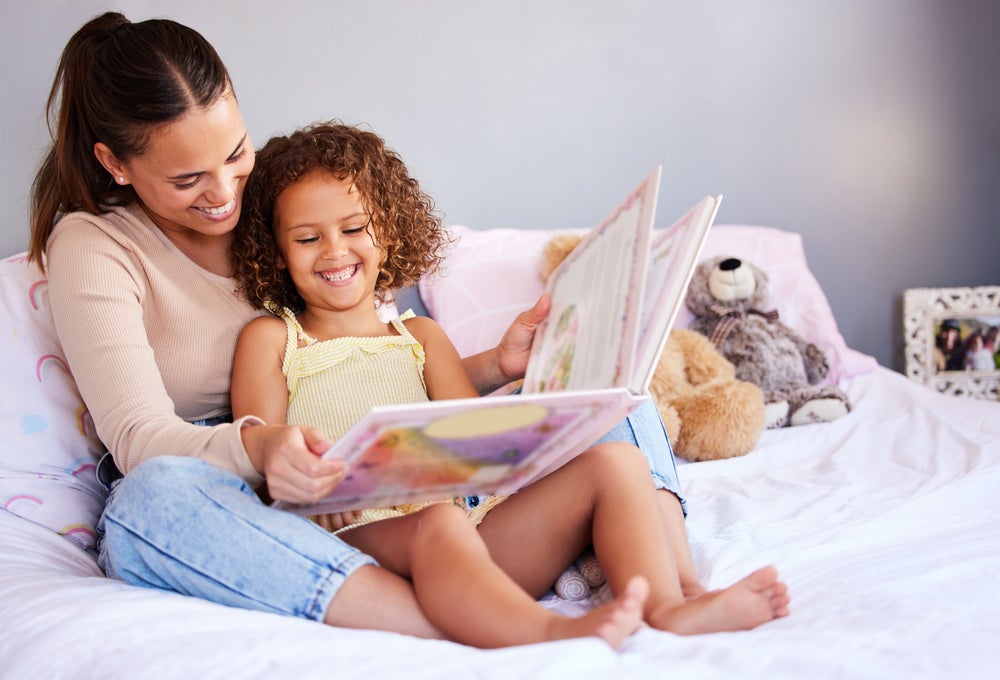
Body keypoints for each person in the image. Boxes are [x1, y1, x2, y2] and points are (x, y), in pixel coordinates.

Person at [24, 12, 744, 640]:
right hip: (257, 481)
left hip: (422, 477)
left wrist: (503, 365)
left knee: (615, 390)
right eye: (189, 182)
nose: (225, 194)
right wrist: (264, 445)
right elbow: (140, 440)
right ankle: (476, 623)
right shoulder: (97, 246)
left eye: (236, 154)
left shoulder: (281, 204)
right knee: (152, 504)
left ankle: (672, 590)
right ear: (114, 163)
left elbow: (395, 370)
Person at [229, 121, 790, 640]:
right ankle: (545, 632)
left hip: (471, 533)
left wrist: (553, 407)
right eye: (307, 239)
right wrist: (311, 487)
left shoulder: (421, 336)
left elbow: (473, 449)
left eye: (353, 228)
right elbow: (259, 458)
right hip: (354, 543)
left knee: (617, 461)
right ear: (276, 253)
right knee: (438, 524)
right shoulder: (274, 339)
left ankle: (667, 608)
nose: (334, 251)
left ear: (388, 235)